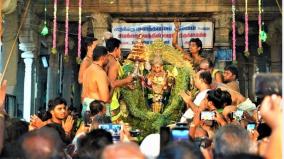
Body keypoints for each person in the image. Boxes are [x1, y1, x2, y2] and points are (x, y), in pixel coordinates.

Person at [105, 38, 133, 122]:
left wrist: (125, 84)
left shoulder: (107, 59)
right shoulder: (113, 63)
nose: (120, 51)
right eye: (120, 49)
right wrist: (127, 80)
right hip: (111, 99)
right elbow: (112, 83)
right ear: (116, 49)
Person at [82, 46, 110, 116]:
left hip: (85, 108)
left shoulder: (87, 70)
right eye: (107, 57)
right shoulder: (100, 72)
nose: (108, 60)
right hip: (96, 110)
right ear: (102, 58)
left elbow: (83, 94)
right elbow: (105, 99)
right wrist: (113, 87)